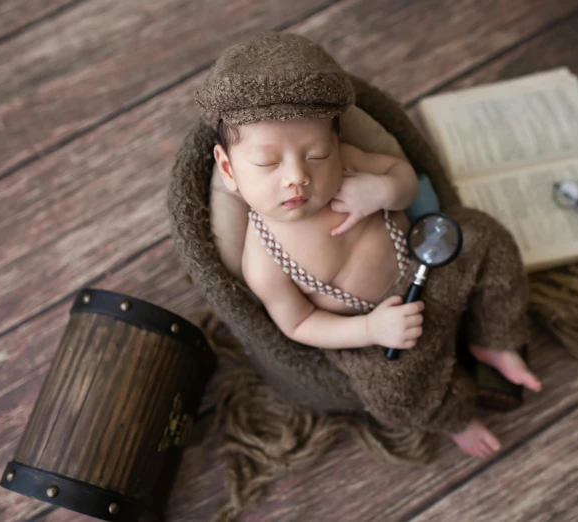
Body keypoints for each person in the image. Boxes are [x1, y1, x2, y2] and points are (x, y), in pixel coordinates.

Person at [197, 33, 541, 459]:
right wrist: (369, 330)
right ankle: (453, 416)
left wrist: (382, 190)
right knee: (391, 392)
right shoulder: (264, 258)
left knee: (485, 237)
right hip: (376, 332)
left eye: (317, 155)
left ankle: (495, 337)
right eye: (268, 163)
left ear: (335, 146)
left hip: (428, 267)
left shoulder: (350, 164)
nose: (297, 176)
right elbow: (298, 325)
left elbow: (406, 178)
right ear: (229, 170)